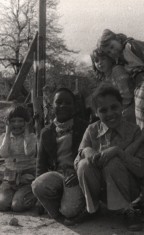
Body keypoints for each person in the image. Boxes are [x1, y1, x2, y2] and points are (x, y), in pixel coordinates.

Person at [74, 83, 144, 231]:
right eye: (103, 110)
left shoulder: (134, 131)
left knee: (113, 161)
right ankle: (92, 209)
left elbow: (142, 170)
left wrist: (118, 152)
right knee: (84, 164)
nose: (110, 113)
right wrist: (86, 151)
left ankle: (127, 209)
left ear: (122, 106)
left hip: (128, 188)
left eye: (114, 107)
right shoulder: (92, 130)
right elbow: (77, 161)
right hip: (100, 189)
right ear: (96, 113)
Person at [32, 88, 88, 226]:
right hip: (57, 174)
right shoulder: (46, 132)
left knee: (69, 211)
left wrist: (77, 173)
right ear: (52, 106)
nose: (63, 105)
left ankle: (85, 208)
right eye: (59, 102)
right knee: (37, 185)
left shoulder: (84, 127)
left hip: (76, 175)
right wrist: (39, 199)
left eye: (68, 102)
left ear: (75, 107)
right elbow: (41, 163)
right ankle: (60, 214)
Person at [0, 104, 37, 212]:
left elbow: (29, 152)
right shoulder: (4, 137)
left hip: (26, 179)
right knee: (2, 205)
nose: (16, 124)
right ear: (8, 123)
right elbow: (3, 154)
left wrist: (26, 133)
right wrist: (7, 133)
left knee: (17, 206)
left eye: (20, 121)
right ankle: (11, 195)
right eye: (13, 121)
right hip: (10, 179)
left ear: (26, 122)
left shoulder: (31, 137)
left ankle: (34, 195)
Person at [91, 48, 136, 123]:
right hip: (117, 110)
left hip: (129, 108)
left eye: (103, 59)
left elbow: (127, 96)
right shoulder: (104, 78)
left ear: (110, 59)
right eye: (96, 61)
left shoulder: (117, 70)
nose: (100, 63)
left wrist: (118, 112)